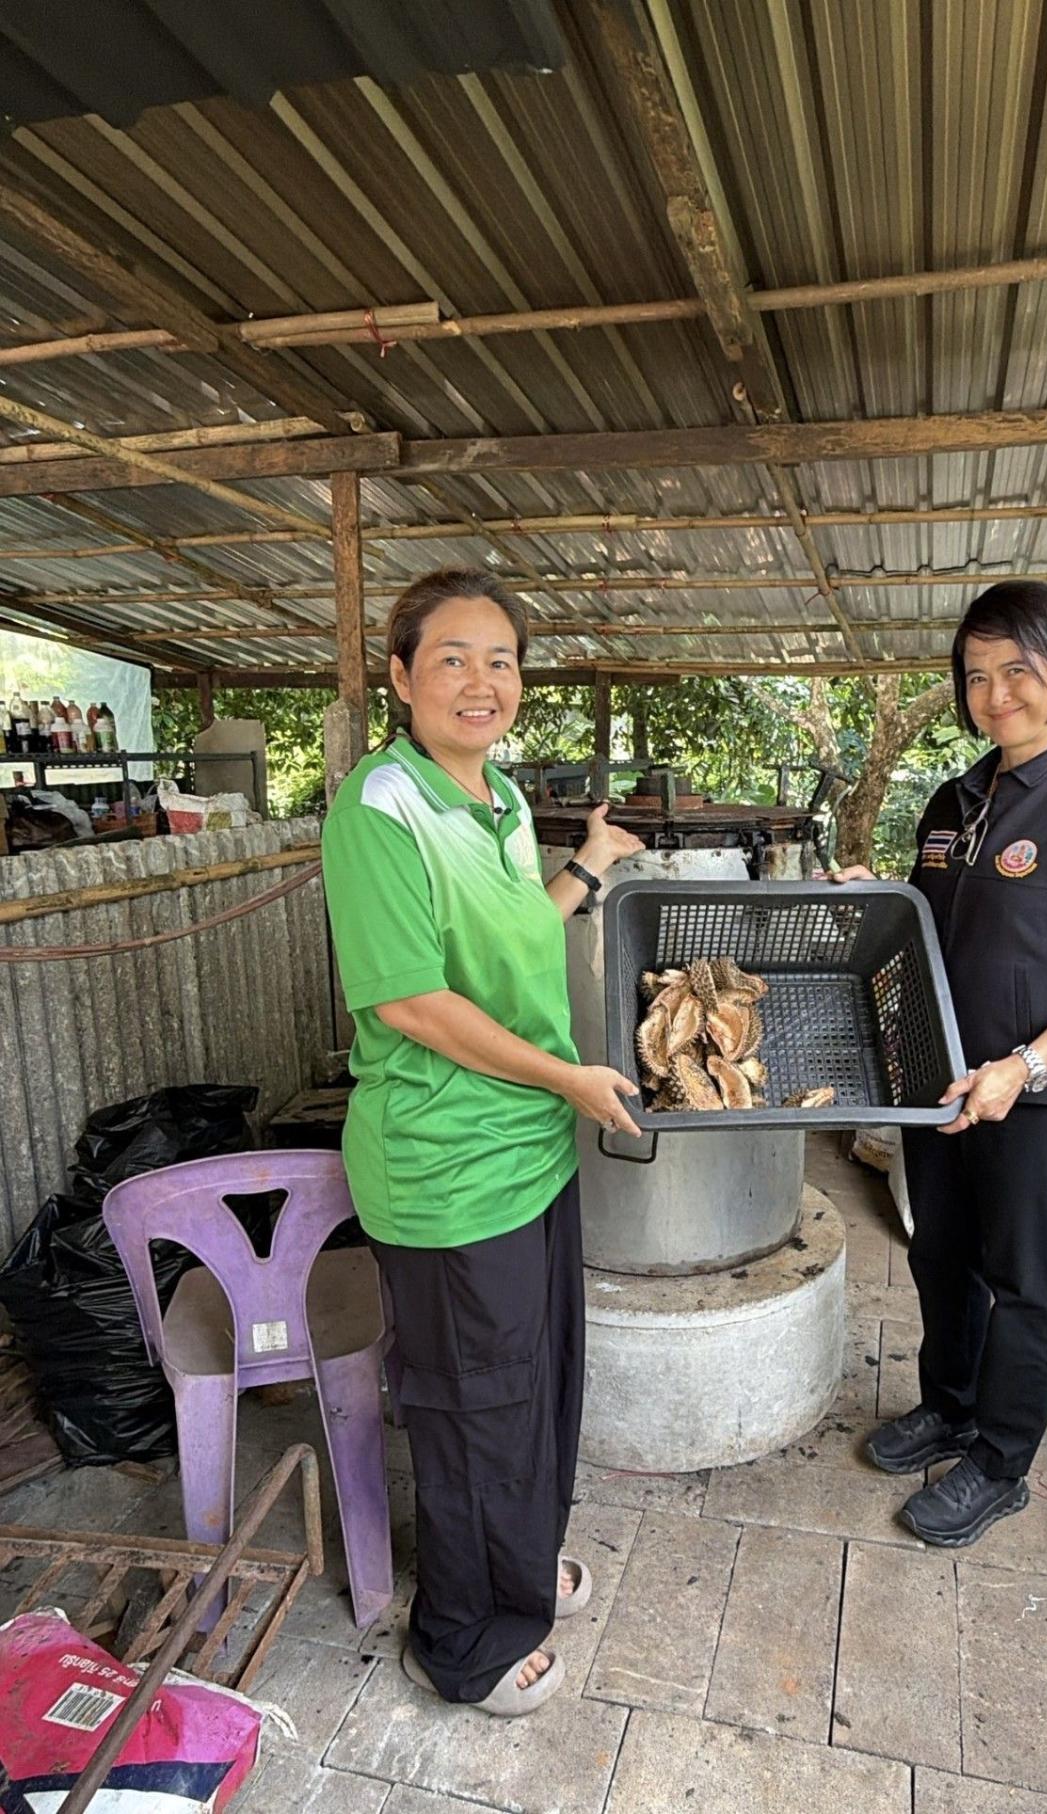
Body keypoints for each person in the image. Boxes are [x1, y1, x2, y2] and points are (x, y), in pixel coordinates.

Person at [321, 568, 644, 1713]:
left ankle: (521, 1562)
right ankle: (462, 1637)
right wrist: (568, 1078)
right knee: (471, 1410)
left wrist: (587, 865)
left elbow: (509, 938)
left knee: (536, 1385)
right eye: (451, 656)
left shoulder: (497, 796)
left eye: (499, 659)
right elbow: (413, 1001)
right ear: (401, 675)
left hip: (529, 1148)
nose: (480, 679)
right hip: (448, 1165)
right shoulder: (378, 808)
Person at [834, 580, 1047, 1547]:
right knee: (940, 1254)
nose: (996, 694)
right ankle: (950, 1406)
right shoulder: (956, 798)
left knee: (1026, 1282)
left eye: (1017, 669)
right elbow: (933, 925)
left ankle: (1001, 1460)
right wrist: (875, 893)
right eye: (976, 675)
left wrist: (1024, 1064)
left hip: (1038, 1091)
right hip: (941, 1081)